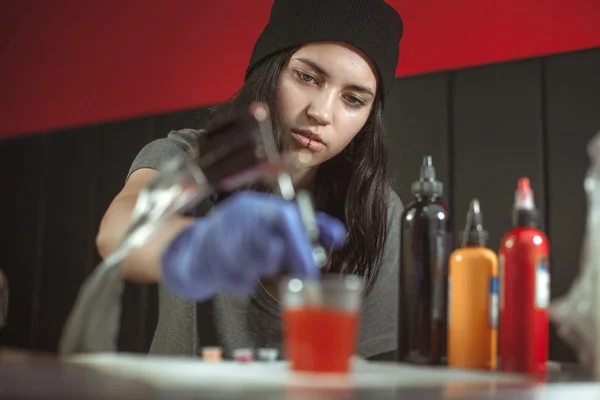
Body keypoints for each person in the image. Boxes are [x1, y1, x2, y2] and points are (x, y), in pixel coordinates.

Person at [96, 0, 404, 361]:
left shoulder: (379, 211)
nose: (321, 112)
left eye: (352, 99)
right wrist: (203, 244)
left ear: (369, 116)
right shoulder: (188, 158)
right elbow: (116, 234)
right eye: (306, 77)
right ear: (269, 72)